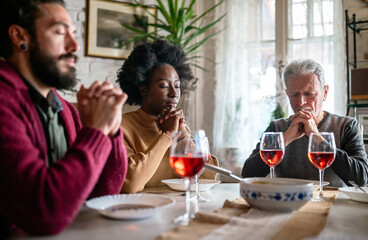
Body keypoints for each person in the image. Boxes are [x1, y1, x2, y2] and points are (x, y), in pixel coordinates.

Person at [0, 0, 128, 236]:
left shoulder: (65, 110)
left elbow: (101, 195)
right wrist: (96, 132)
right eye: (60, 32)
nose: (74, 45)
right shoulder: (4, 102)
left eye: (74, 33)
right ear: (20, 37)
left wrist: (109, 127)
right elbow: (44, 213)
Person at [242, 59, 368, 187]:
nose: (301, 102)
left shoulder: (346, 126)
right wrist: (285, 138)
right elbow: (247, 174)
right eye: (294, 95)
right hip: (287, 202)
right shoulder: (277, 127)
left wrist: (317, 137)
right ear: (287, 94)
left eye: (309, 94)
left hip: (333, 204)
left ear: (324, 93)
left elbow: (361, 179)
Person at [116, 39, 219, 193]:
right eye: (164, 86)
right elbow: (131, 183)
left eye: (177, 85)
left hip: (177, 208)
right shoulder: (122, 126)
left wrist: (183, 134)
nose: (174, 93)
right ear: (143, 89)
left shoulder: (177, 124)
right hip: (141, 210)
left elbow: (208, 178)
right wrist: (168, 135)